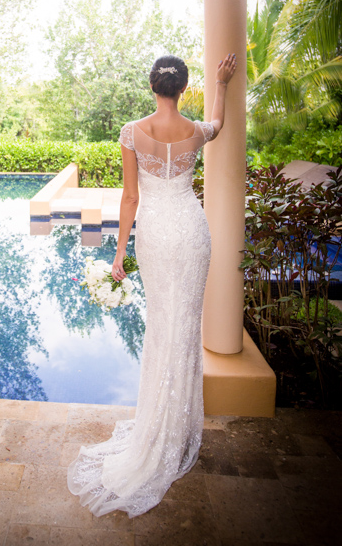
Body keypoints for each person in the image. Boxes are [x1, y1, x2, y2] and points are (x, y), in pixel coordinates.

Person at [67, 52, 237, 518]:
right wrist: (221, 83)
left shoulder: (132, 132)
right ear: (183, 89)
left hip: (157, 235)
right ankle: (175, 430)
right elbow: (219, 124)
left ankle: (161, 429)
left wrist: (119, 252)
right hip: (192, 231)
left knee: (163, 327)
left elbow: (130, 196)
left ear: (152, 87)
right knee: (186, 330)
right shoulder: (197, 131)